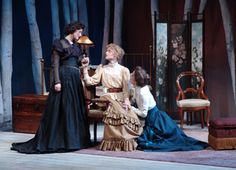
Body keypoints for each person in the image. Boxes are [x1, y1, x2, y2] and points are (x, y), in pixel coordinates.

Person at [11, 21, 91, 154]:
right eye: (79, 31)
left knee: (73, 109)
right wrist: (56, 82)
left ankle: (75, 140)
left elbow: (75, 61)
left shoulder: (76, 46)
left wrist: (82, 61)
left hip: (75, 79)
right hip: (64, 78)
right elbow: (55, 64)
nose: (81, 34)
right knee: (62, 109)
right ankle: (59, 141)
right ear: (73, 30)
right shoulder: (59, 43)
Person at [130, 66, 209, 151]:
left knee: (148, 140)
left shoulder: (142, 93)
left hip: (153, 118)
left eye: (132, 75)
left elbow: (144, 113)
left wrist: (131, 108)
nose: (130, 75)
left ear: (136, 79)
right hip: (153, 116)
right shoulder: (138, 88)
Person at [81, 43, 142, 151]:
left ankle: (124, 141)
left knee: (127, 113)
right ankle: (113, 143)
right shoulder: (102, 69)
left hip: (121, 96)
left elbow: (125, 88)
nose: (106, 53)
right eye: (107, 51)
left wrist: (127, 100)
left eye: (109, 51)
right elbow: (90, 82)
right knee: (116, 110)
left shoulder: (124, 70)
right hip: (107, 97)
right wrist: (85, 69)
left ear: (115, 54)